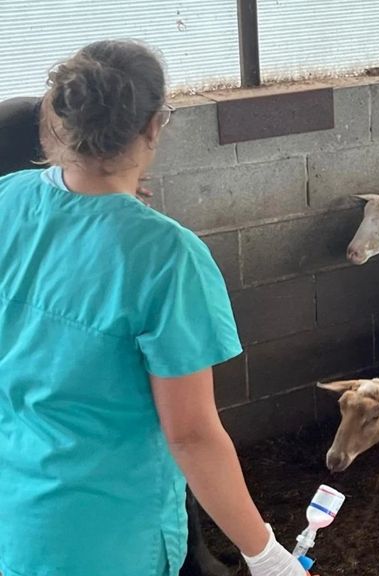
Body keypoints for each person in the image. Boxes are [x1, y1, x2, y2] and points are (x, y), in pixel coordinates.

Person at [0, 41, 307, 576]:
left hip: (17, 507)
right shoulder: (169, 257)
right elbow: (190, 434)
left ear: (59, 117)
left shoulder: (8, 199)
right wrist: (266, 555)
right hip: (105, 534)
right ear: (154, 125)